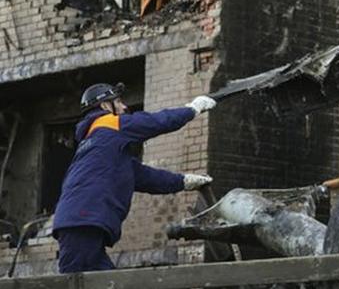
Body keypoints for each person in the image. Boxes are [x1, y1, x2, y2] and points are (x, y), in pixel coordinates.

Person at [52, 82, 218, 273]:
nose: (124, 107)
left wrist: (183, 181)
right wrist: (192, 109)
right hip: (82, 221)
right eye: (118, 102)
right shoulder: (108, 123)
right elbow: (155, 122)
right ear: (105, 106)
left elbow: (145, 177)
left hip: (81, 222)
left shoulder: (103, 147)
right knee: (82, 281)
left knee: (102, 280)